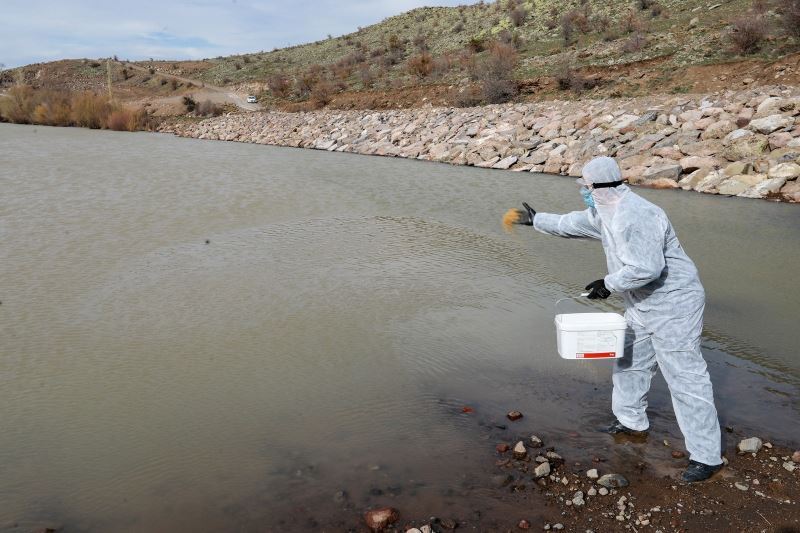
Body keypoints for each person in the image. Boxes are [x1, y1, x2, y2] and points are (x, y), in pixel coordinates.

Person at [508, 156, 722, 483]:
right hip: (642, 303)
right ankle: (631, 421)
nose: (584, 191)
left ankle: (706, 457)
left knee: (685, 379)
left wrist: (607, 285)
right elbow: (574, 223)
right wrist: (537, 220)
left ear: (603, 186)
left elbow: (647, 268)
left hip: (675, 304)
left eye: (586, 186)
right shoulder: (604, 212)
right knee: (630, 363)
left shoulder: (638, 214)